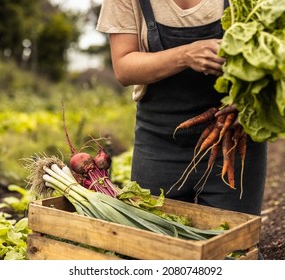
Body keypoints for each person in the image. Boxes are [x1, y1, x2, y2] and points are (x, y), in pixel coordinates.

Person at [96, 0, 267, 218]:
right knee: (156, 244)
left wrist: (251, 97)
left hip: (232, 136)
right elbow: (124, 68)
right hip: (158, 141)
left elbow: (277, 50)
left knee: (233, 247)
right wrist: (185, 55)